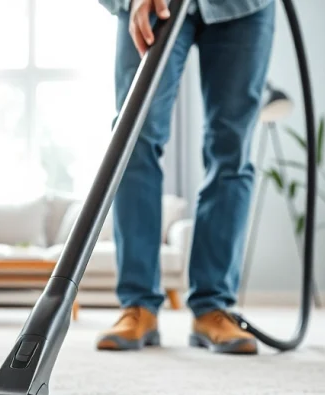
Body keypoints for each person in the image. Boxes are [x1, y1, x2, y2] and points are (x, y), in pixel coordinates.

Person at [95, 0, 275, 355]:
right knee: (134, 138)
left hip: (244, 9)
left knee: (232, 147)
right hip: (152, 4)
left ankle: (213, 307)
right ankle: (138, 305)